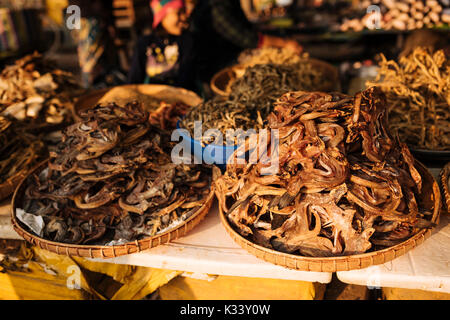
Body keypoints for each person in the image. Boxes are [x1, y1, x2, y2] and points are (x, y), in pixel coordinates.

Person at [189, 0, 303, 83]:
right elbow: (247, 39)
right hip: (218, 70)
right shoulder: (215, 7)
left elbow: (248, 28)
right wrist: (284, 43)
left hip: (233, 57)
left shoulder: (230, 3)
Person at [127, 0, 196, 91]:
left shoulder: (188, 41)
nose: (184, 17)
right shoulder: (145, 43)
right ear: (162, 16)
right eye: (179, 13)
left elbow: (187, 80)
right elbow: (134, 81)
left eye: (184, 12)